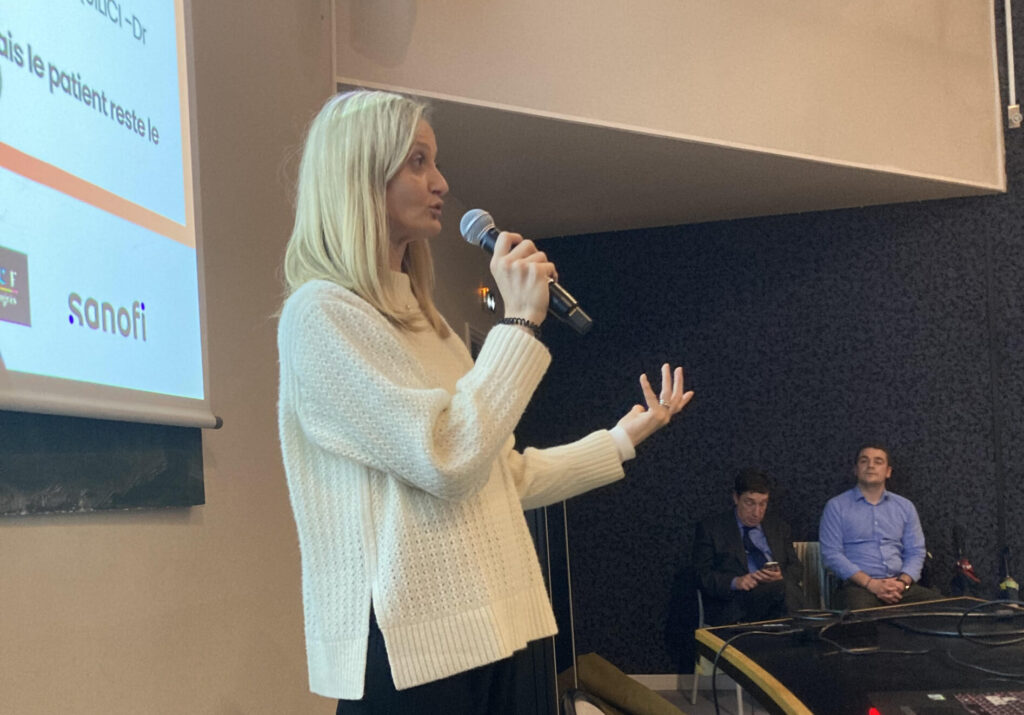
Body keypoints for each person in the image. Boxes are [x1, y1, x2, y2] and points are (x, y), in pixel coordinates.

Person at [276, 89, 695, 715]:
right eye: (417, 161)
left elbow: (499, 476)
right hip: (416, 648)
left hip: (502, 625)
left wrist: (620, 439)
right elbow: (448, 459)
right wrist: (519, 323)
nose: (441, 183)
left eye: (435, 161)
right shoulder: (322, 314)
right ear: (360, 174)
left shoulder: (429, 323)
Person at [819, 444, 941, 610]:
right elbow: (831, 554)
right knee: (863, 618)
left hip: (900, 586)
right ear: (855, 470)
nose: (871, 466)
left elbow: (916, 551)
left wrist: (902, 583)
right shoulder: (836, 507)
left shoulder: (905, 507)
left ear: (888, 472)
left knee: (946, 611)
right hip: (858, 587)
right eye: (864, 461)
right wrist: (871, 584)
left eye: (878, 461)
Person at [692, 469, 804, 625]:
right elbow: (701, 576)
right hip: (737, 603)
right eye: (749, 503)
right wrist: (736, 582)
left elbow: (796, 568)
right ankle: (803, 631)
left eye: (762, 504)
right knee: (787, 593)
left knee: (784, 588)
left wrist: (781, 575)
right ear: (736, 498)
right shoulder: (712, 529)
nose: (757, 512)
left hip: (777, 598)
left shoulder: (778, 527)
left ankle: (795, 630)